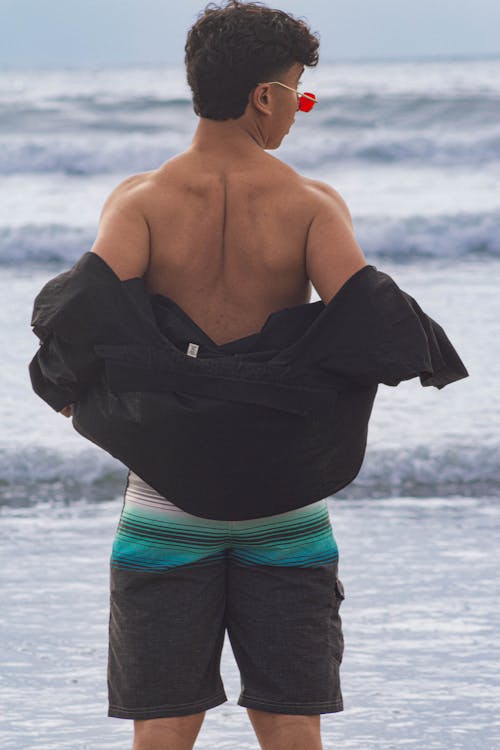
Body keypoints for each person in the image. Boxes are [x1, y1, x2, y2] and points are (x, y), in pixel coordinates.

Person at [41, 2, 458, 749]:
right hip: (285, 508)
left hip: (164, 507)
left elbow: (80, 319)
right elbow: (379, 328)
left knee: (163, 726)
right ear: (263, 96)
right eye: (299, 93)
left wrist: (85, 403)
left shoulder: (138, 203)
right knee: (290, 720)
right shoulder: (310, 206)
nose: (300, 112)